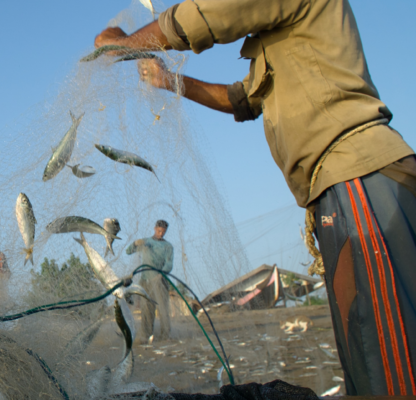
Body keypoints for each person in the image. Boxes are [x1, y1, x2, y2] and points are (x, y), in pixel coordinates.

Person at [93, 0, 415, 395]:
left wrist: (125, 44)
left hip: (360, 176)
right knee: (365, 356)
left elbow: (206, 16)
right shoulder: (284, 38)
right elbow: (243, 99)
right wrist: (169, 81)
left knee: (390, 366)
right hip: (335, 188)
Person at [126, 219, 173, 343]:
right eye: (159, 231)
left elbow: (169, 263)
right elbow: (128, 251)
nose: (161, 234)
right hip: (145, 281)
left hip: (160, 281)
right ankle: (146, 335)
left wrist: (161, 273)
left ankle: (165, 336)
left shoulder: (168, 246)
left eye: (163, 232)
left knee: (163, 309)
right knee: (147, 309)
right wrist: (135, 244)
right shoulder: (146, 242)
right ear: (154, 228)